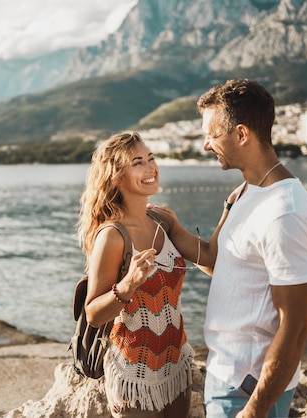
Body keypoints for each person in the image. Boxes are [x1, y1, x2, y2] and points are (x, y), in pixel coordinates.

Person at [192, 78, 307, 418]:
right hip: (225, 376)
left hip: (247, 390)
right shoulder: (247, 191)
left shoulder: (284, 212)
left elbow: (296, 327)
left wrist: (254, 410)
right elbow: (216, 262)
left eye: (212, 134)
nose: (206, 145)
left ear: (241, 134)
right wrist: (167, 227)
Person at [77, 131, 230, 418]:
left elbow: (209, 259)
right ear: (115, 176)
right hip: (134, 374)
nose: (151, 168)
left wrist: (229, 209)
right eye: (138, 162)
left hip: (177, 366)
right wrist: (128, 284)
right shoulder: (112, 236)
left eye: (151, 158)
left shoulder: (164, 220)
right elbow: (94, 314)